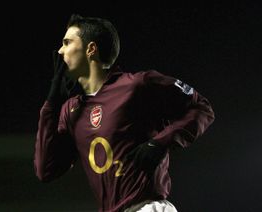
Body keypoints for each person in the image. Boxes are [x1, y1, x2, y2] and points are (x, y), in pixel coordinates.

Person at [34, 14, 215, 212]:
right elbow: (46, 170)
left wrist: (161, 142)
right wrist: (52, 103)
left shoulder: (136, 85)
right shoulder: (71, 110)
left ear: (91, 49)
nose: (60, 51)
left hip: (146, 207)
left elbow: (201, 107)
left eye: (67, 43)